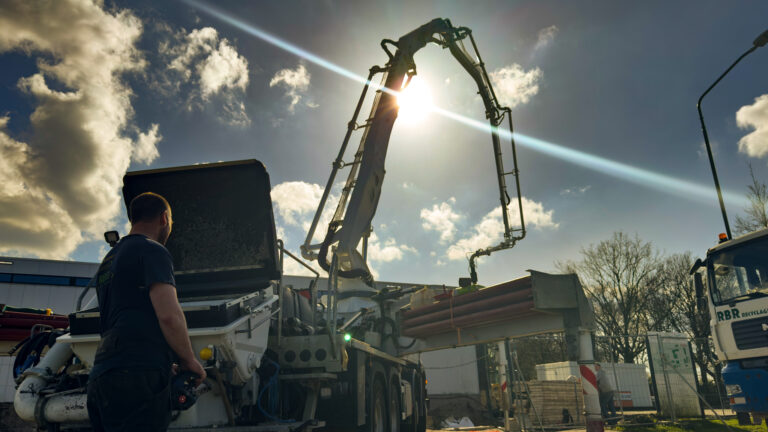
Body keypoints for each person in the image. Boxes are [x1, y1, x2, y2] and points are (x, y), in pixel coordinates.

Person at [86, 192, 206, 432]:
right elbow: (169, 315)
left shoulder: (109, 259)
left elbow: (119, 318)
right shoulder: (152, 250)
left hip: (102, 376)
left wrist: (161, 360)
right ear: (164, 218)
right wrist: (188, 360)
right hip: (136, 379)